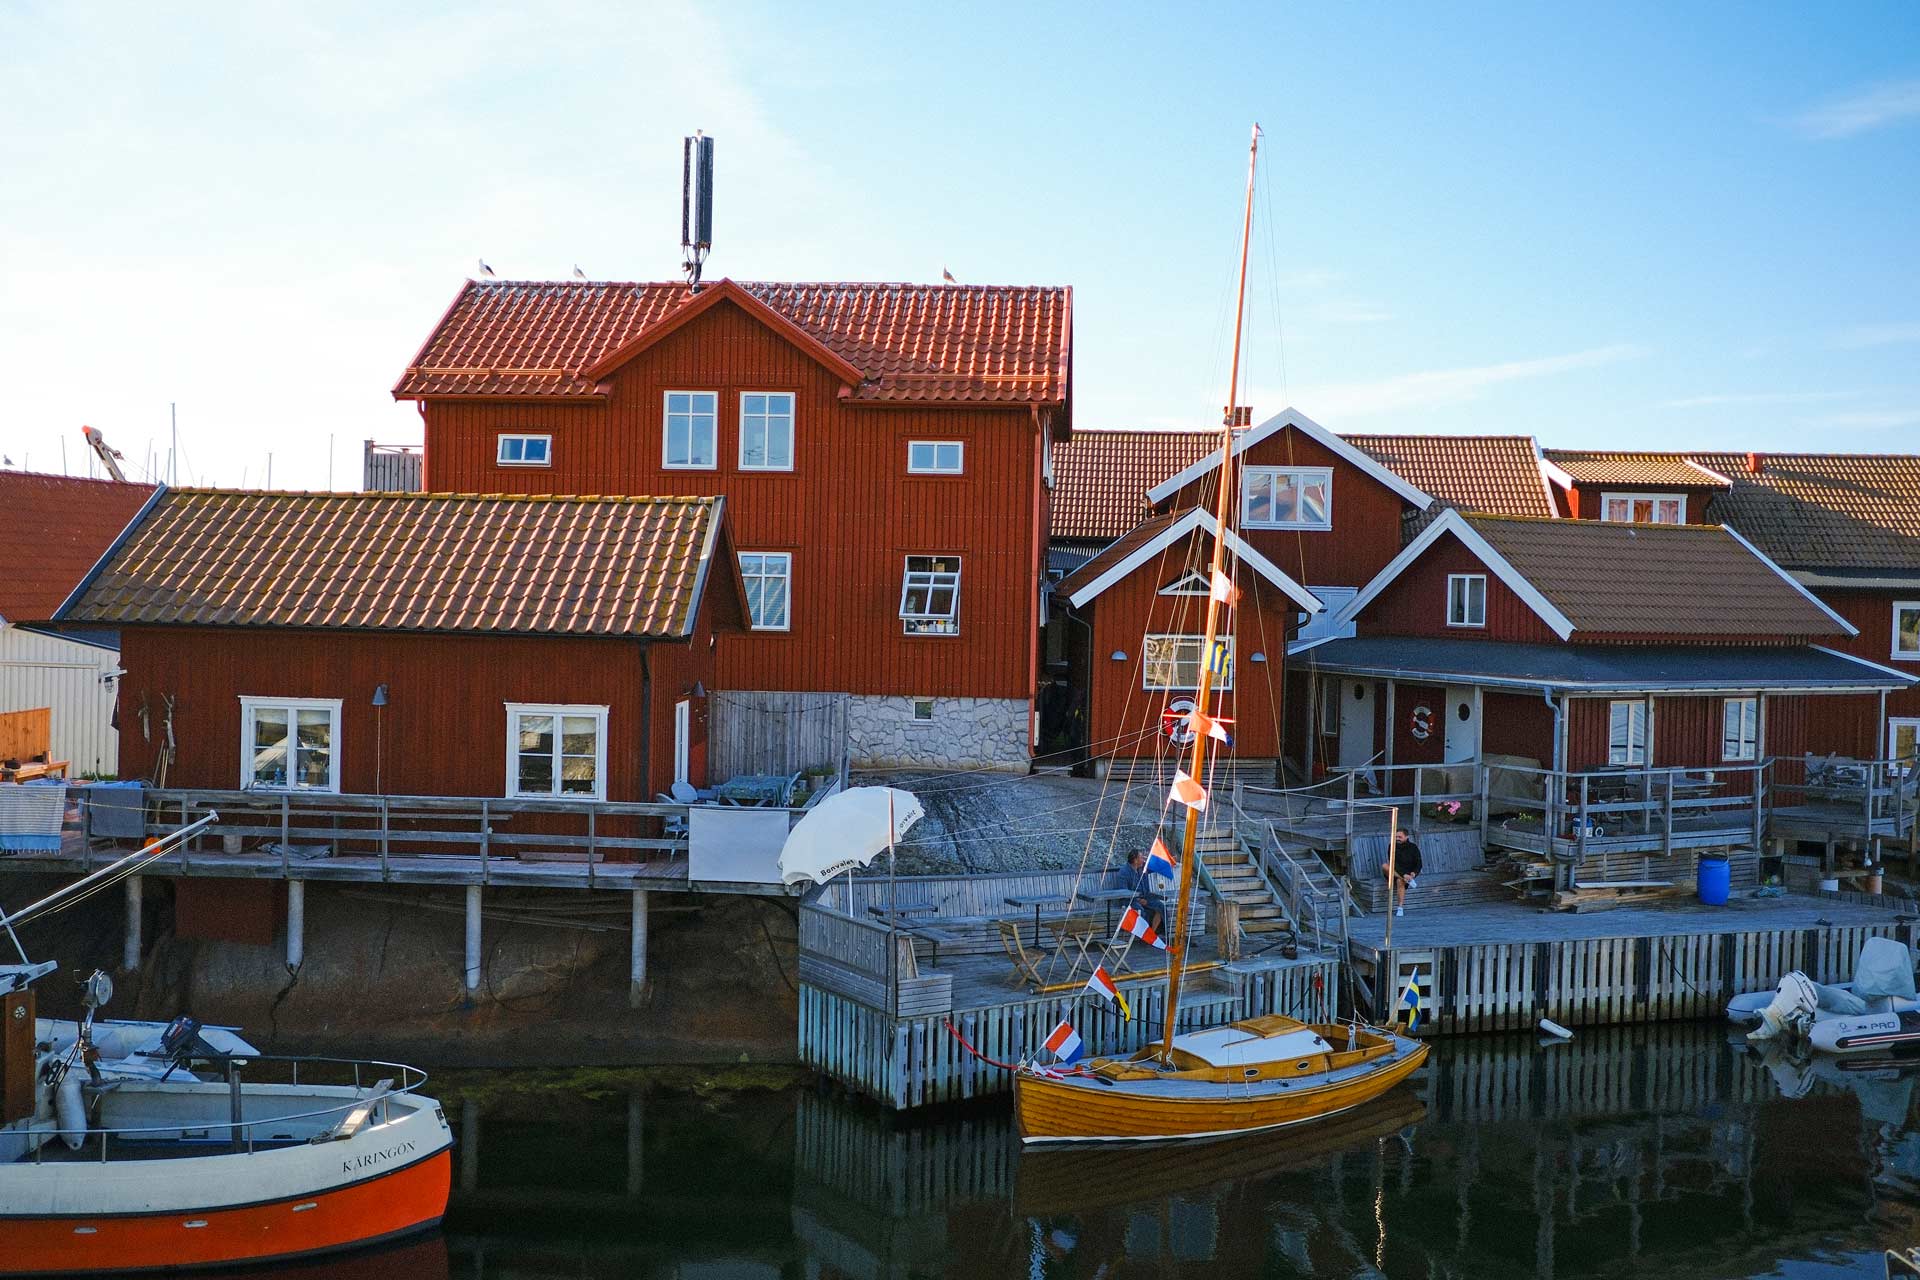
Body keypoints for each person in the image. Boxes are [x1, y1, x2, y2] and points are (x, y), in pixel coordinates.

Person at [1107, 849, 1166, 934]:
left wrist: (1167, 861)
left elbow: (1156, 866)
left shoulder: (1142, 868)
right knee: (1140, 910)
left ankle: (1152, 934)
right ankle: (1144, 934)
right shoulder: (1123, 872)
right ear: (1135, 860)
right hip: (1130, 900)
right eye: (1141, 858)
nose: (1143, 860)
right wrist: (1138, 900)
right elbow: (1124, 892)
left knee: (1160, 906)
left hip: (1145, 897)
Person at [1388, 827, 1423, 918]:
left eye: (1400, 837)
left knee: (1400, 882)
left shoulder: (1413, 847)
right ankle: (1405, 879)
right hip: (1395, 872)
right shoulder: (1392, 846)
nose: (1397, 839)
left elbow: (1418, 863)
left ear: (1406, 837)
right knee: (1385, 866)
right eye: (1396, 837)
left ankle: (1400, 908)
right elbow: (1393, 863)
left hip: (1408, 873)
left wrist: (1414, 873)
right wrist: (1404, 875)